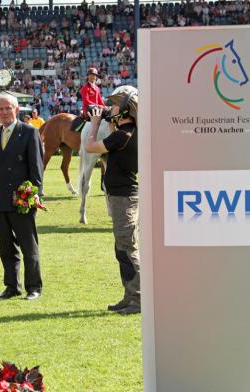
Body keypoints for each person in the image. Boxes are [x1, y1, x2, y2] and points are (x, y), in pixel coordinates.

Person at [85, 88, 140, 315]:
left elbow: (90, 147)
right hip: (124, 196)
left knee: (128, 249)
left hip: (124, 198)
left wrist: (96, 123)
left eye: (115, 106)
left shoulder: (122, 135)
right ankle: (130, 297)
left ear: (125, 109)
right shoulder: (129, 132)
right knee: (123, 248)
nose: (111, 110)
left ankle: (138, 300)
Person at [0, 93, 44, 300]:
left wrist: (36, 194)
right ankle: (11, 286)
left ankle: (33, 287)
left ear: (17, 109)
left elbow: (36, 168)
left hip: (22, 198)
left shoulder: (29, 132)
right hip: (1, 199)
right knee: (6, 248)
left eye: (8, 108)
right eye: (0, 109)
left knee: (28, 246)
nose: (4, 112)